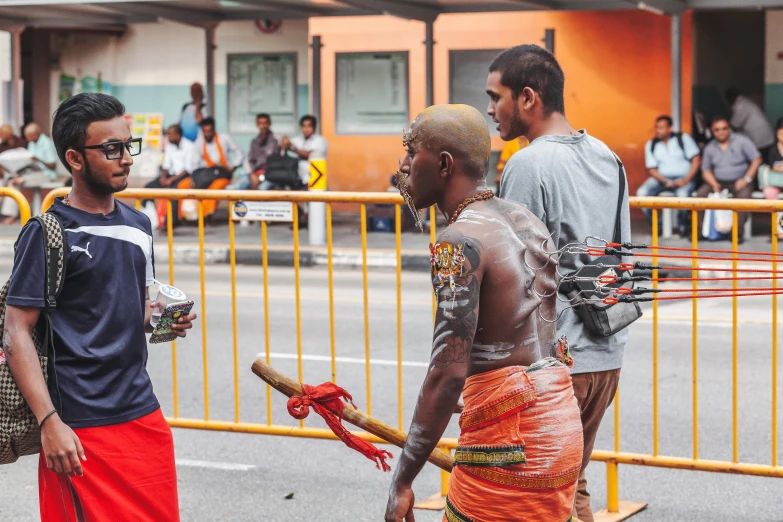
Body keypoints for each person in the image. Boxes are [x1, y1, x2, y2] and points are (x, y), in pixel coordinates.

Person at [3, 92, 197, 521]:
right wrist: (50, 422)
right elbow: (16, 332)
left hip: (141, 414)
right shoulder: (50, 232)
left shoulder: (138, 224)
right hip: (77, 426)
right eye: (111, 149)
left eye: (128, 145)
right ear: (74, 158)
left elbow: (130, 306)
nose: (126, 158)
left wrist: (162, 319)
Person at [385, 105, 582, 522]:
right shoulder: (525, 220)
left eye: (410, 151)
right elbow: (531, 341)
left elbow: (446, 373)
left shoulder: (458, 242)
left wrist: (403, 479)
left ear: (442, 164)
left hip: (513, 448)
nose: (402, 166)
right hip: (560, 428)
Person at [486, 44, 630, 522]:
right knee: (569, 486)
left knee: (542, 496)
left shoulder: (528, 164)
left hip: (556, 362)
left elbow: (516, 279)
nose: (490, 111)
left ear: (528, 97)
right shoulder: (606, 155)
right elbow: (618, 254)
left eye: (495, 97)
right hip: (605, 353)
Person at [696, 116, 762, 242]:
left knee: (743, 198)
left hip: (740, 181)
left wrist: (746, 179)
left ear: (729, 129)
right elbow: (706, 170)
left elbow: (756, 159)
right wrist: (713, 183)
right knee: (700, 195)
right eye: (717, 129)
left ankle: (736, 233)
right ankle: (699, 231)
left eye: (724, 128)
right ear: (713, 131)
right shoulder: (710, 147)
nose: (721, 132)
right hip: (717, 182)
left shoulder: (742, 141)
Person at [637, 115, 701, 237]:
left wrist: (686, 179)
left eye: (661, 127)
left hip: (684, 179)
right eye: (656, 127)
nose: (657, 130)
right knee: (642, 194)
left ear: (669, 128)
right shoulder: (651, 144)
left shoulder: (683, 139)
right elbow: (651, 169)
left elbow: (696, 160)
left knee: (683, 197)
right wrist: (665, 181)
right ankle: (658, 225)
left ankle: (683, 226)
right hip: (661, 179)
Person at [0, 122, 60, 224]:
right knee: (12, 180)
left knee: (17, 181)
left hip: (46, 174)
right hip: (32, 172)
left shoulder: (46, 143)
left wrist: (38, 160)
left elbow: (52, 166)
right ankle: (8, 214)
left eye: (28, 135)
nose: (26, 138)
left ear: (36, 134)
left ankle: (11, 215)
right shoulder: (32, 143)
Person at [190, 117, 244, 218]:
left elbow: (239, 152)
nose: (207, 134)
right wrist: (194, 178)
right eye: (204, 131)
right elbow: (194, 163)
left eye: (209, 131)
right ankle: (185, 216)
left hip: (223, 174)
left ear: (213, 130)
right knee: (187, 186)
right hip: (208, 175)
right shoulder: (199, 142)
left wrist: (233, 168)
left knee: (214, 188)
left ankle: (205, 215)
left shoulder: (224, 138)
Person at [144, 124, 195, 224]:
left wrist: (171, 180)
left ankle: (170, 223)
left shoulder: (189, 146)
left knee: (174, 192)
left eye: (170, 134)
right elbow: (166, 165)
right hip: (170, 175)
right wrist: (163, 177)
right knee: (148, 187)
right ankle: (147, 218)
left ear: (178, 135)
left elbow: (187, 169)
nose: (168, 137)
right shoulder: (169, 145)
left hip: (183, 176)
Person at [281, 115, 328, 188]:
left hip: (315, 179)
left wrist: (292, 147)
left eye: (309, 126)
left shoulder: (321, 141)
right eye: (304, 126)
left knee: (315, 199)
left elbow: (309, 155)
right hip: (297, 179)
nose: (306, 129)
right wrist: (284, 142)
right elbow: (284, 147)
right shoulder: (297, 140)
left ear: (314, 127)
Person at [726, 88, 775, 159]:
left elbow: (734, 124)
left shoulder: (742, 105)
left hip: (761, 138)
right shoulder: (744, 102)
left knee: (761, 158)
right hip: (764, 137)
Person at [243, 113, 280, 190]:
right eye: (260, 123)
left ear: (269, 124)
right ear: (257, 125)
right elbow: (249, 160)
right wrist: (252, 175)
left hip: (271, 175)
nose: (263, 126)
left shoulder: (276, 140)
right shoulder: (254, 141)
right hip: (256, 173)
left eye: (265, 123)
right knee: (238, 186)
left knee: (262, 189)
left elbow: (281, 159)